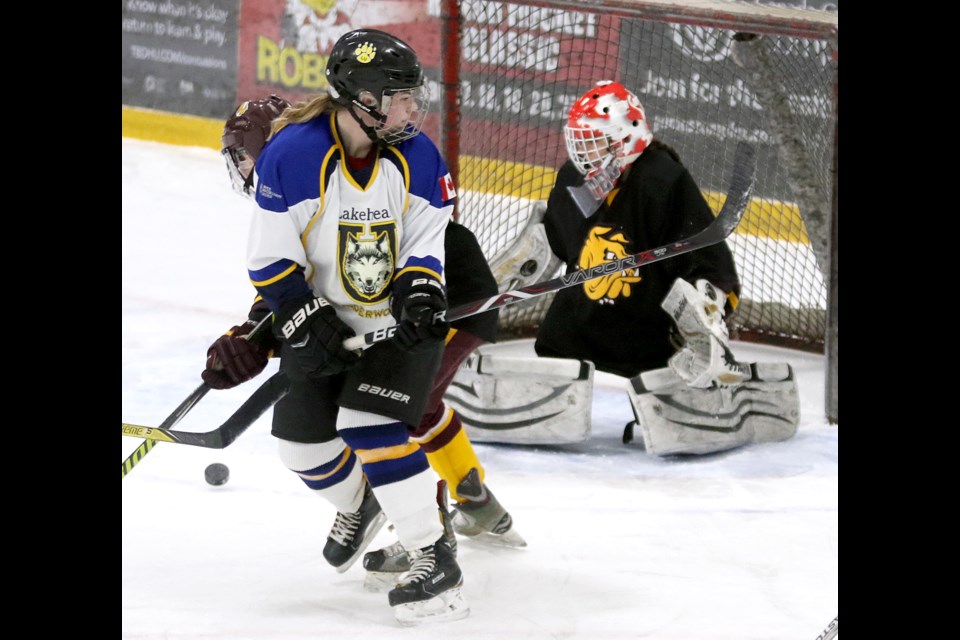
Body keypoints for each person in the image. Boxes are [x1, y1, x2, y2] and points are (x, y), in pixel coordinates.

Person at [201, 29, 498, 625]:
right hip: (331, 319)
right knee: (300, 446)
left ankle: (433, 558)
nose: (415, 108)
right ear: (362, 98)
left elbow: (426, 243)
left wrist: (419, 292)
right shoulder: (293, 156)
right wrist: (302, 318)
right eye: (402, 96)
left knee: (369, 424)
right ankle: (368, 503)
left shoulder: (418, 155)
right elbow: (272, 260)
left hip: (396, 327)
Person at [210, 92, 524, 552]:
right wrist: (249, 339)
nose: (240, 168)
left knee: (384, 421)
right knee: (413, 412)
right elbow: (301, 283)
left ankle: (424, 539)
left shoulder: (320, 173)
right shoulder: (299, 179)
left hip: (444, 301)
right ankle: (474, 502)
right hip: (407, 302)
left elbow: (338, 276)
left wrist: (266, 334)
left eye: (243, 155)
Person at [532, 80, 799, 456]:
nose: (583, 152)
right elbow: (561, 243)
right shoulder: (574, 178)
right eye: (580, 141)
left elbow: (709, 261)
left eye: (593, 141)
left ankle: (708, 377)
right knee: (561, 331)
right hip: (580, 328)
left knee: (685, 314)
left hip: (646, 336)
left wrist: (709, 303)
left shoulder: (662, 180)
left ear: (624, 138)